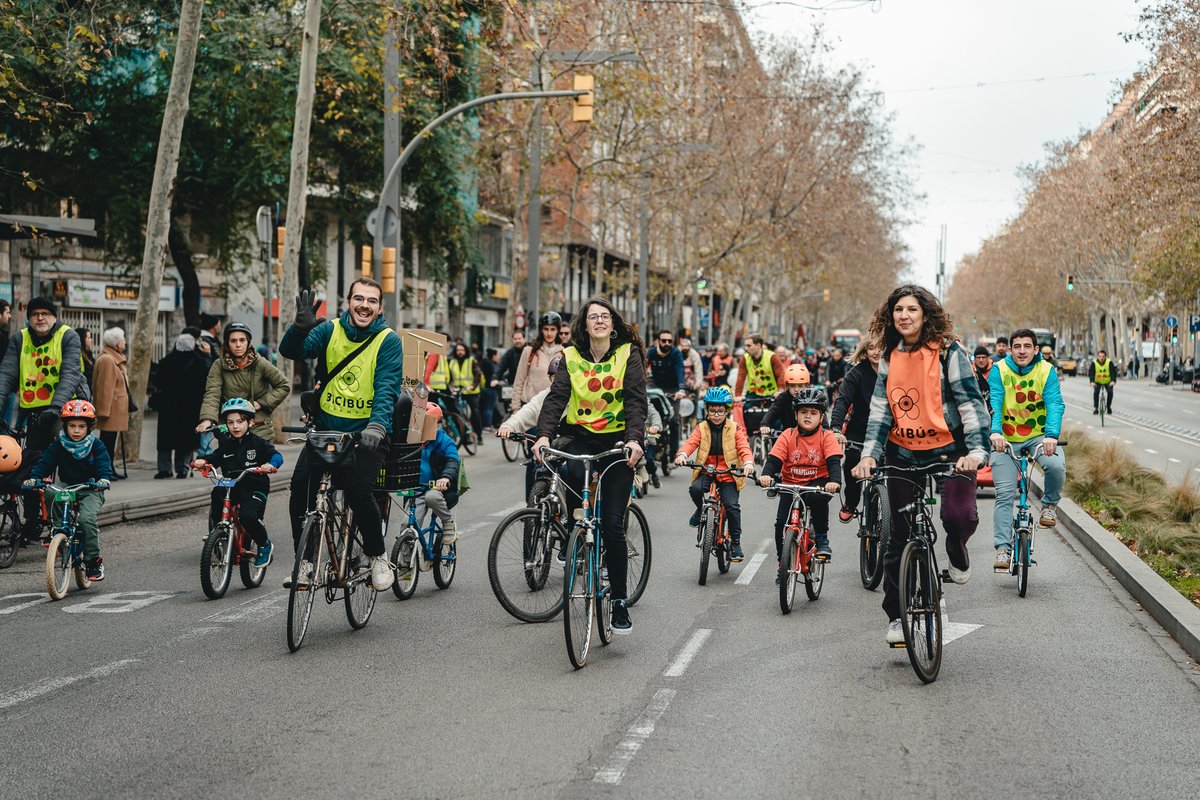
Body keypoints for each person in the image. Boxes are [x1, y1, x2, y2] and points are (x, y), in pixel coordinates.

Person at [850, 285, 988, 646]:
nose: (905, 316)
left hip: (951, 451)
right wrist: (869, 455)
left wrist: (976, 451)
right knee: (898, 535)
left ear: (925, 314)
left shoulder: (948, 351)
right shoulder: (889, 356)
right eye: (898, 310)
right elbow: (880, 410)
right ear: (890, 316)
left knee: (958, 516)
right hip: (903, 452)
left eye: (912, 309)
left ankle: (957, 552)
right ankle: (896, 617)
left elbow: (970, 403)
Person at [280, 280, 404, 592]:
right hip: (326, 431)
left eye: (372, 301)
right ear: (348, 301)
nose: (365, 305)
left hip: (368, 435)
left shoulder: (388, 340)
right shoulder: (328, 330)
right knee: (299, 492)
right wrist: (299, 328)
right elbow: (290, 351)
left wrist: (377, 424)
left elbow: (387, 387)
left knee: (358, 491)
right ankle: (306, 564)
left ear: (379, 308)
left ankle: (377, 556)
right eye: (359, 298)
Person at [533, 296, 647, 634]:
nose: (599, 321)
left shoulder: (629, 353)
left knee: (612, 524)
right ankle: (577, 532)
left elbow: (636, 401)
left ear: (613, 324)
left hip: (618, 440)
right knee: (570, 471)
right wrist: (543, 436)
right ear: (584, 324)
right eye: (593, 316)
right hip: (581, 435)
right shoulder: (568, 356)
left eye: (605, 316)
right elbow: (556, 399)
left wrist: (635, 439)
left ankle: (619, 603)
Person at [988, 329, 1066, 570]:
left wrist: (1052, 436)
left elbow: (1055, 403)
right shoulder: (999, 370)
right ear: (1010, 349)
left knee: (1055, 466)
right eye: (1017, 346)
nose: (1022, 350)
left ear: (1035, 350)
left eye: (1027, 346)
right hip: (1005, 439)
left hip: (1039, 436)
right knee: (1004, 494)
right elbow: (995, 400)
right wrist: (995, 432)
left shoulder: (1047, 371)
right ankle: (1002, 548)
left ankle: (1050, 505)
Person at [23, 400, 113, 580]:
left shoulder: (96, 445)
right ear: (65, 426)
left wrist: (103, 479)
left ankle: (93, 561)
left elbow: (104, 466)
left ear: (89, 427)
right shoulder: (59, 444)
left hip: (92, 488)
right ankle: (57, 528)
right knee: (49, 491)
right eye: (72, 426)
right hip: (68, 486)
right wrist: (34, 477)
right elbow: (45, 463)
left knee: (86, 519)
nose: (77, 430)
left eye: (81, 426)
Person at [193, 397, 282, 569]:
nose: (235, 426)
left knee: (248, 517)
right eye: (230, 422)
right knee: (217, 493)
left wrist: (271, 465)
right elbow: (214, 458)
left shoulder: (258, 443)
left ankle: (264, 544)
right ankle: (219, 534)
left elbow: (276, 456)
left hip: (254, 485)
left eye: (240, 422)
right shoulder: (226, 445)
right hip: (231, 484)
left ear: (250, 422)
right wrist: (202, 461)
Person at [759, 388, 842, 564]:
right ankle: (782, 563)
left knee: (817, 499)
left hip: (817, 482)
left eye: (813, 413)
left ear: (821, 417)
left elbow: (834, 461)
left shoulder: (826, 436)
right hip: (791, 482)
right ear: (795, 414)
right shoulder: (787, 435)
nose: (808, 416)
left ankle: (821, 539)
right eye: (803, 412)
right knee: (781, 522)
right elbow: (774, 459)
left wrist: (834, 481)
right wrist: (766, 474)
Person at [674, 386, 754, 561]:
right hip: (707, 470)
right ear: (707, 410)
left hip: (728, 473)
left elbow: (743, 448)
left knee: (732, 507)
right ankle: (699, 509)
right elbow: (691, 443)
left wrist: (748, 462)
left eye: (720, 411)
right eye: (712, 411)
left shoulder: (735, 428)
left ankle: (735, 543)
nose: (716, 415)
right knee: (695, 489)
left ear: (727, 411)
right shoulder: (701, 428)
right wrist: (682, 454)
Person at [197, 322, 289, 443]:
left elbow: (284, 385)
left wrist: (262, 402)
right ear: (227, 344)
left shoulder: (260, 363)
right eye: (233, 341)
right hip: (230, 428)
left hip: (258, 427)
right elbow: (212, 393)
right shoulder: (219, 365)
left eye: (242, 340)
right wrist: (207, 419)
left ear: (248, 342)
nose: (238, 345)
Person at [830, 336, 882, 522]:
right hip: (859, 429)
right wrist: (836, 428)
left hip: (889, 431)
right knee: (851, 459)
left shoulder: (896, 371)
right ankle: (851, 502)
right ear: (865, 351)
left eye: (880, 347)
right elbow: (842, 401)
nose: (876, 352)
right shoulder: (856, 373)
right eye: (871, 348)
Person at [151, 333, 210, 479]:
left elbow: (157, 382)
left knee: (165, 439)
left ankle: (164, 469)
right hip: (189, 408)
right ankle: (182, 468)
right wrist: (207, 355)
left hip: (168, 408)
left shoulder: (166, 361)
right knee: (186, 439)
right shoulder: (199, 362)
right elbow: (208, 377)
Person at [414, 403, 461, 544]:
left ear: (437, 425)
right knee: (407, 526)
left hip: (437, 488)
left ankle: (448, 522)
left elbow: (453, 461)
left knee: (432, 497)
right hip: (416, 490)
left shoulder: (445, 441)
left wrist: (445, 477)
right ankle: (405, 562)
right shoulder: (411, 440)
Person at [91, 327, 130, 469]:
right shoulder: (108, 359)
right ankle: (105, 468)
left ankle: (109, 468)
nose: (125, 342)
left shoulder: (111, 357)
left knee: (110, 441)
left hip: (114, 409)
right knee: (107, 441)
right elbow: (105, 388)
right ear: (117, 343)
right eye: (123, 339)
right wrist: (103, 412)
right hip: (111, 410)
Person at [511, 312, 562, 413]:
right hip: (529, 407)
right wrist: (515, 409)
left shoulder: (564, 353)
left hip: (552, 410)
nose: (549, 333)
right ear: (541, 330)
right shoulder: (529, 351)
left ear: (558, 331)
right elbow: (519, 381)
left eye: (553, 329)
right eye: (546, 329)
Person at [734, 334, 786, 432]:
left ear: (758, 345)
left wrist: (781, 390)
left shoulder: (772, 357)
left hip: (772, 393)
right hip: (753, 394)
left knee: (776, 417)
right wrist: (738, 395)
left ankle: (776, 438)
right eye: (745, 345)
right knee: (746, 410)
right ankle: (748, 437)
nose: (746, 348)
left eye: (749, 346)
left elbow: (781, 375)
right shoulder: (745, 358)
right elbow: (741, 377)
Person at [647, 329, 687, 457]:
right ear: (658, 341)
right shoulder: (651, 353)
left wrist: (681, 389)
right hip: (656, 388)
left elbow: (680, 370)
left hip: (673, 389)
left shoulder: (676, 353)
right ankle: (652, 448)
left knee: (674, 420)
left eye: (670, 341)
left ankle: (674, 452)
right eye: (664, 341)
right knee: (652, 418)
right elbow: (642, 368)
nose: (667, 343)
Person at [759, 362, 811, 436]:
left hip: (810, 435)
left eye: (800, 386)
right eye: (792, 386)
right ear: (787, 386)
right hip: (788, 435)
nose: (796, 389)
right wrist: (765, 424)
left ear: (806, 385)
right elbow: (772, 411)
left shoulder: (812, 397)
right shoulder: (783, 397)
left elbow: (820, 414)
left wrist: (826, 428)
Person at [448, 341, 484, 443]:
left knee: (475, 413)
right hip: (458, 391)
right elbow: (450, 377)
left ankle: (479, 435)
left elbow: (478, 375)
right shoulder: (452, 362)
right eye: (458, 350)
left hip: (471, 392)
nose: (460, 352)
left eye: (462, 350)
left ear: (466, 351)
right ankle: (465, 435)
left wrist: (472, 386)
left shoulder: (471, 360)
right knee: (458, 413)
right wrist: (451, 387)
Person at [1090, 349, 1115, 415]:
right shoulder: (1094, 363)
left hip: (1108, 381)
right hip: (1097, 382)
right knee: (1096, 393)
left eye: (1103, 357)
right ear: (1098, 357)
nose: (1101, 358)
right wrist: (1092, 381)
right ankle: (1096, 408)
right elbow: (1091, 373)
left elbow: (1113, 372)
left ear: (1105, 357)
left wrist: (1113, 381)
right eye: (1100, 356)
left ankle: (1108, 407)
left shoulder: (1109, 362)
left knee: (1110, 392)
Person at [972, 344, 993, 415]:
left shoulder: (995, 370)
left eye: (983, 357)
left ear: (988, 358)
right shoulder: (970, 371)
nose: (981, 360)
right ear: (974, 359)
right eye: (978, 357)